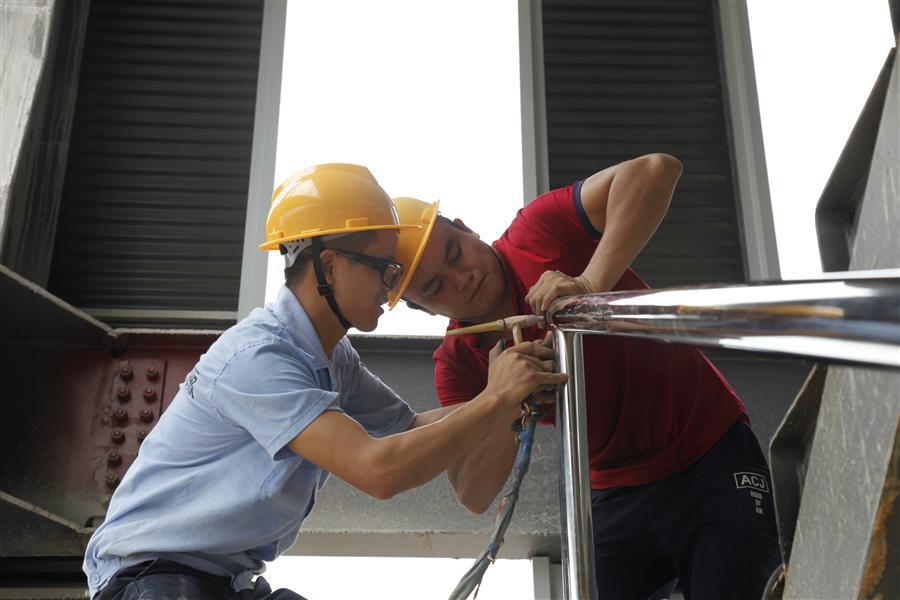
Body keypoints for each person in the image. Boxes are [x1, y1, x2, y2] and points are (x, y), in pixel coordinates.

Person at [83, 164, 567, 599]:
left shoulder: (332, 358)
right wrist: (497, 398)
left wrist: (508, 393)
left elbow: (408, 430)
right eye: (384, 268)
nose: (390, 286)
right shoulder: (258, 357)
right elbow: (378, 470)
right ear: (330, 265)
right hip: (151, 579)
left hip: (221, 582)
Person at [390, 154, 782, 600]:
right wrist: (504, 399)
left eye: (456, 253)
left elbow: (657, 169)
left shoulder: (536, 233)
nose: (463, 279)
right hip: (612, 491)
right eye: (436, 287)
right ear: (424, 309)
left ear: (466, 227)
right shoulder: (459, 362)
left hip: (708, 451)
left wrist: (590, 282)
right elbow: (472, 493)